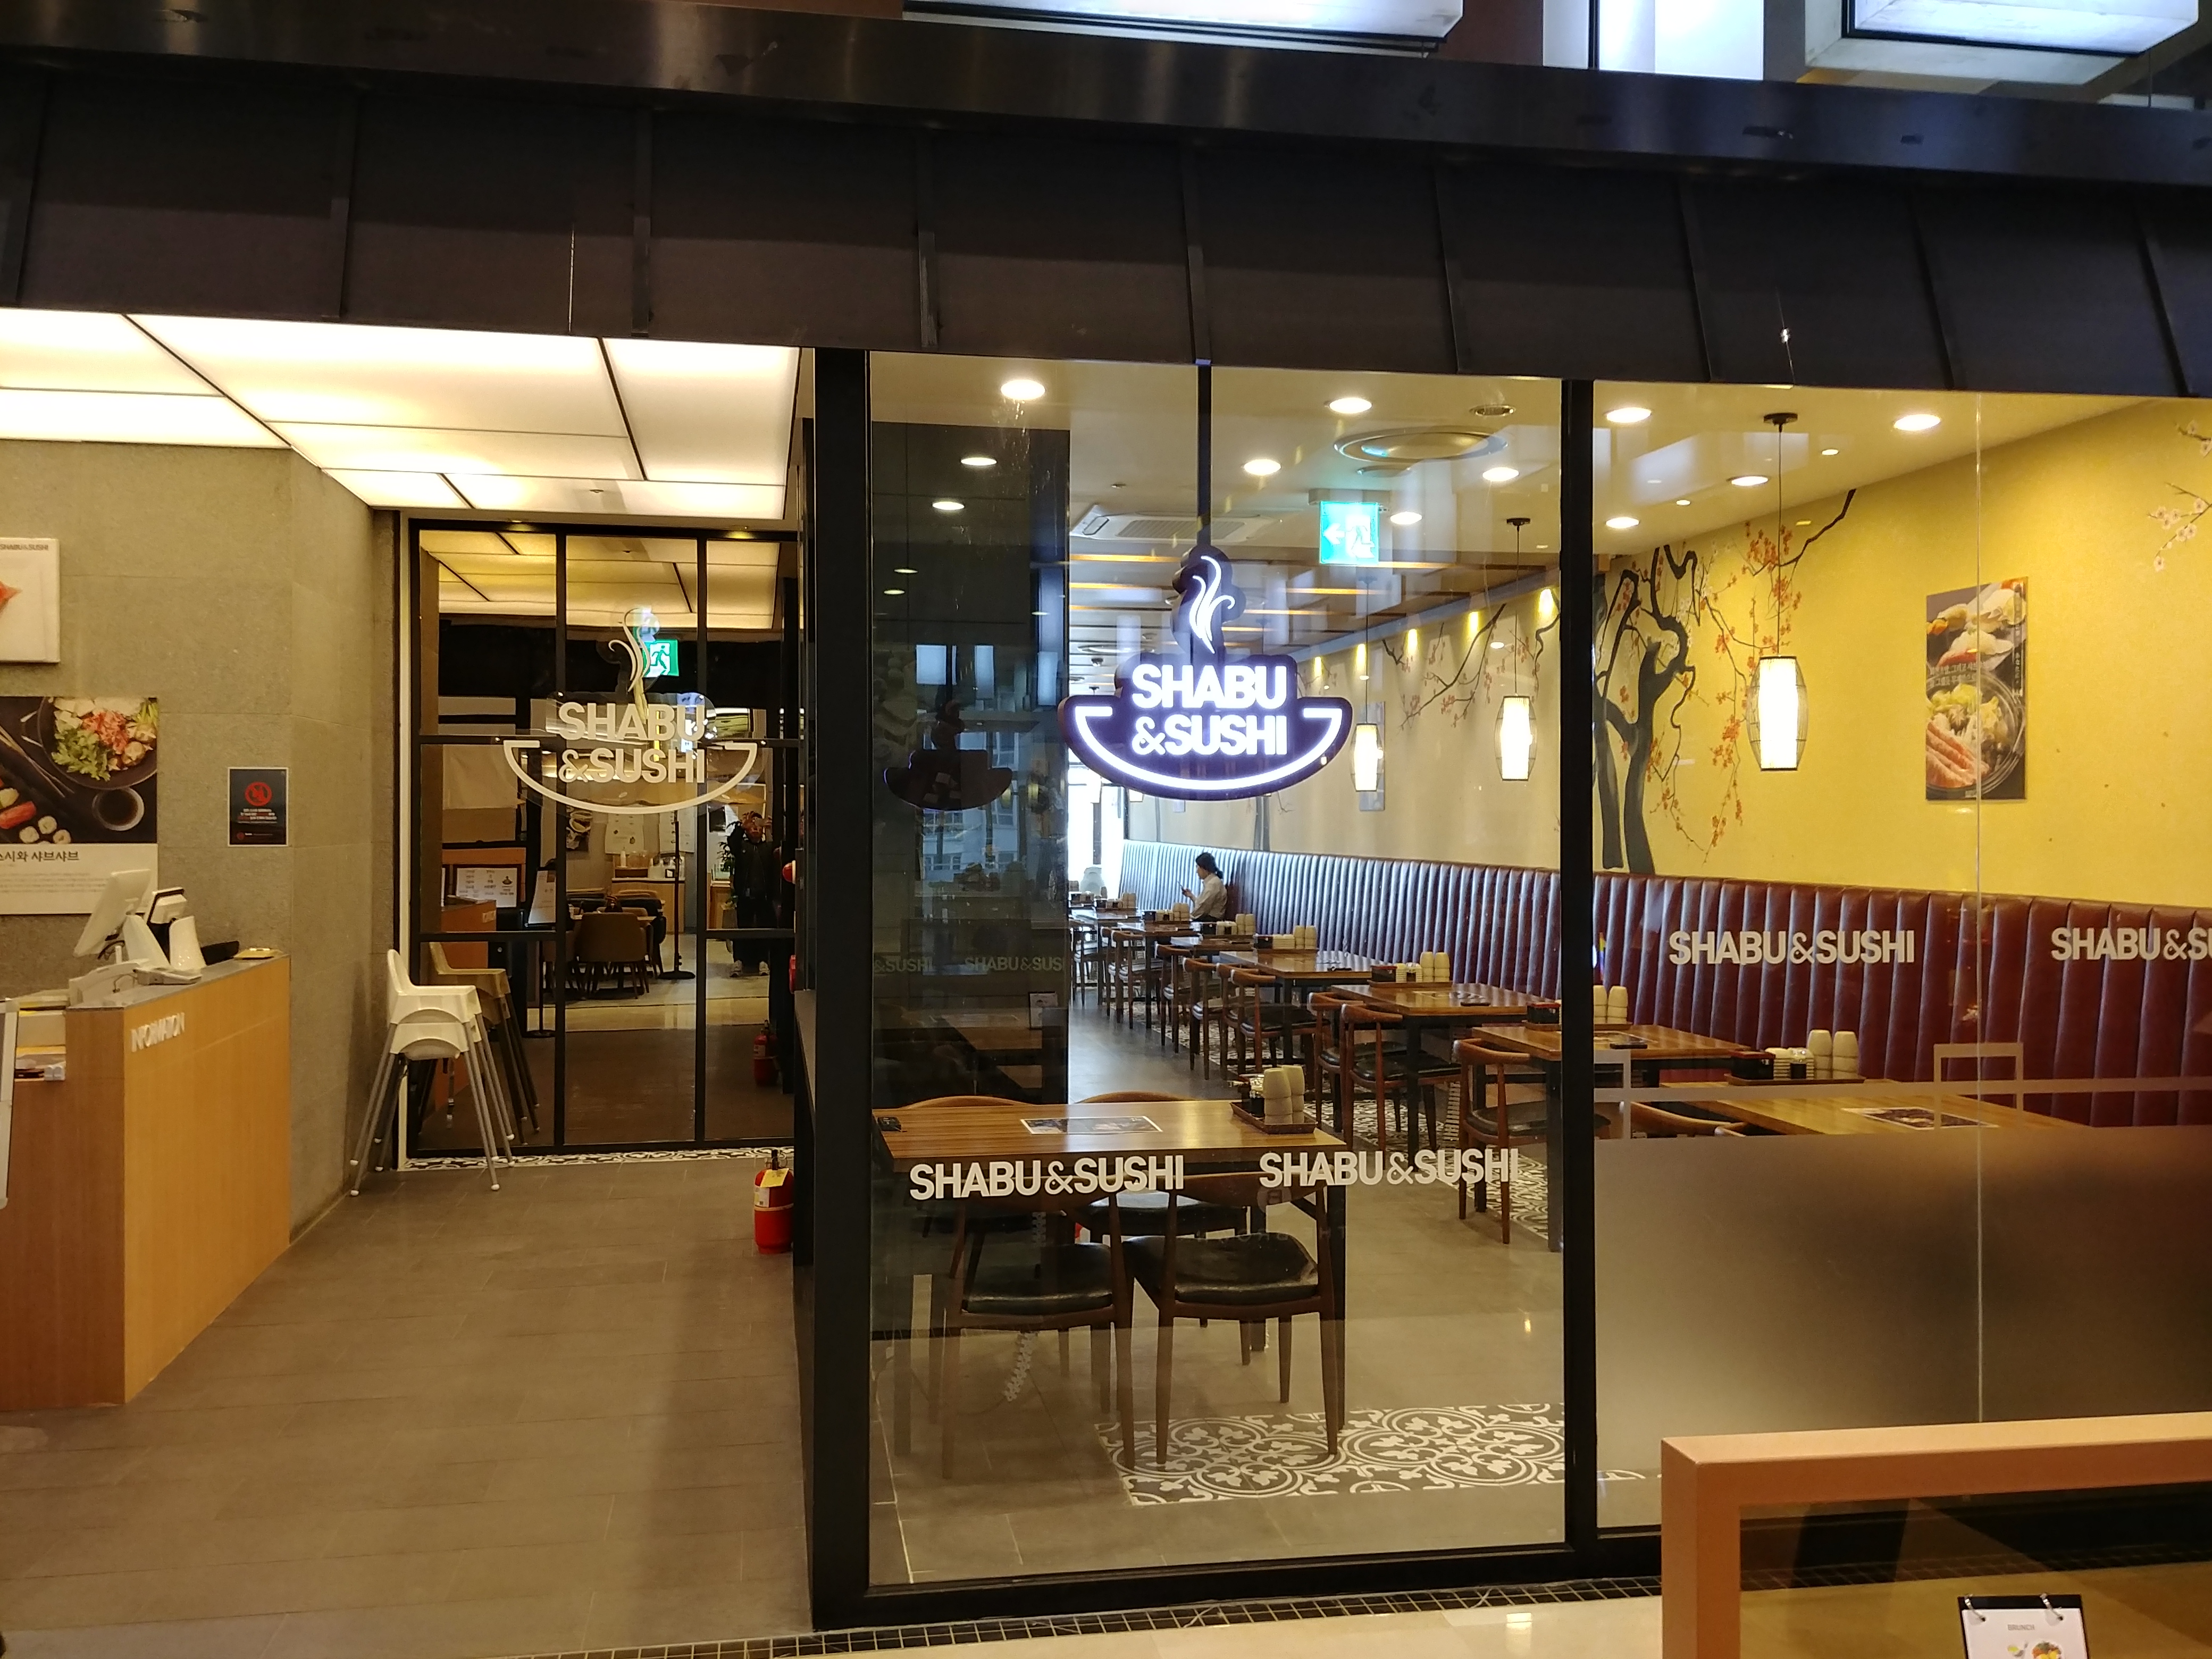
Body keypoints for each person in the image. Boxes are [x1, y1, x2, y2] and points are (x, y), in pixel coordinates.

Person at [1181, 852, 1229, 919]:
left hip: (1210, 922)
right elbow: (1202, 905)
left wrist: (1187, 917)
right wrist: (1191, 896)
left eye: (1197, 867)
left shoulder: (1213, 884)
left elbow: (1202, 910)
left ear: (1204, 869)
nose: (1196, 871)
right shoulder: (1213, 881)